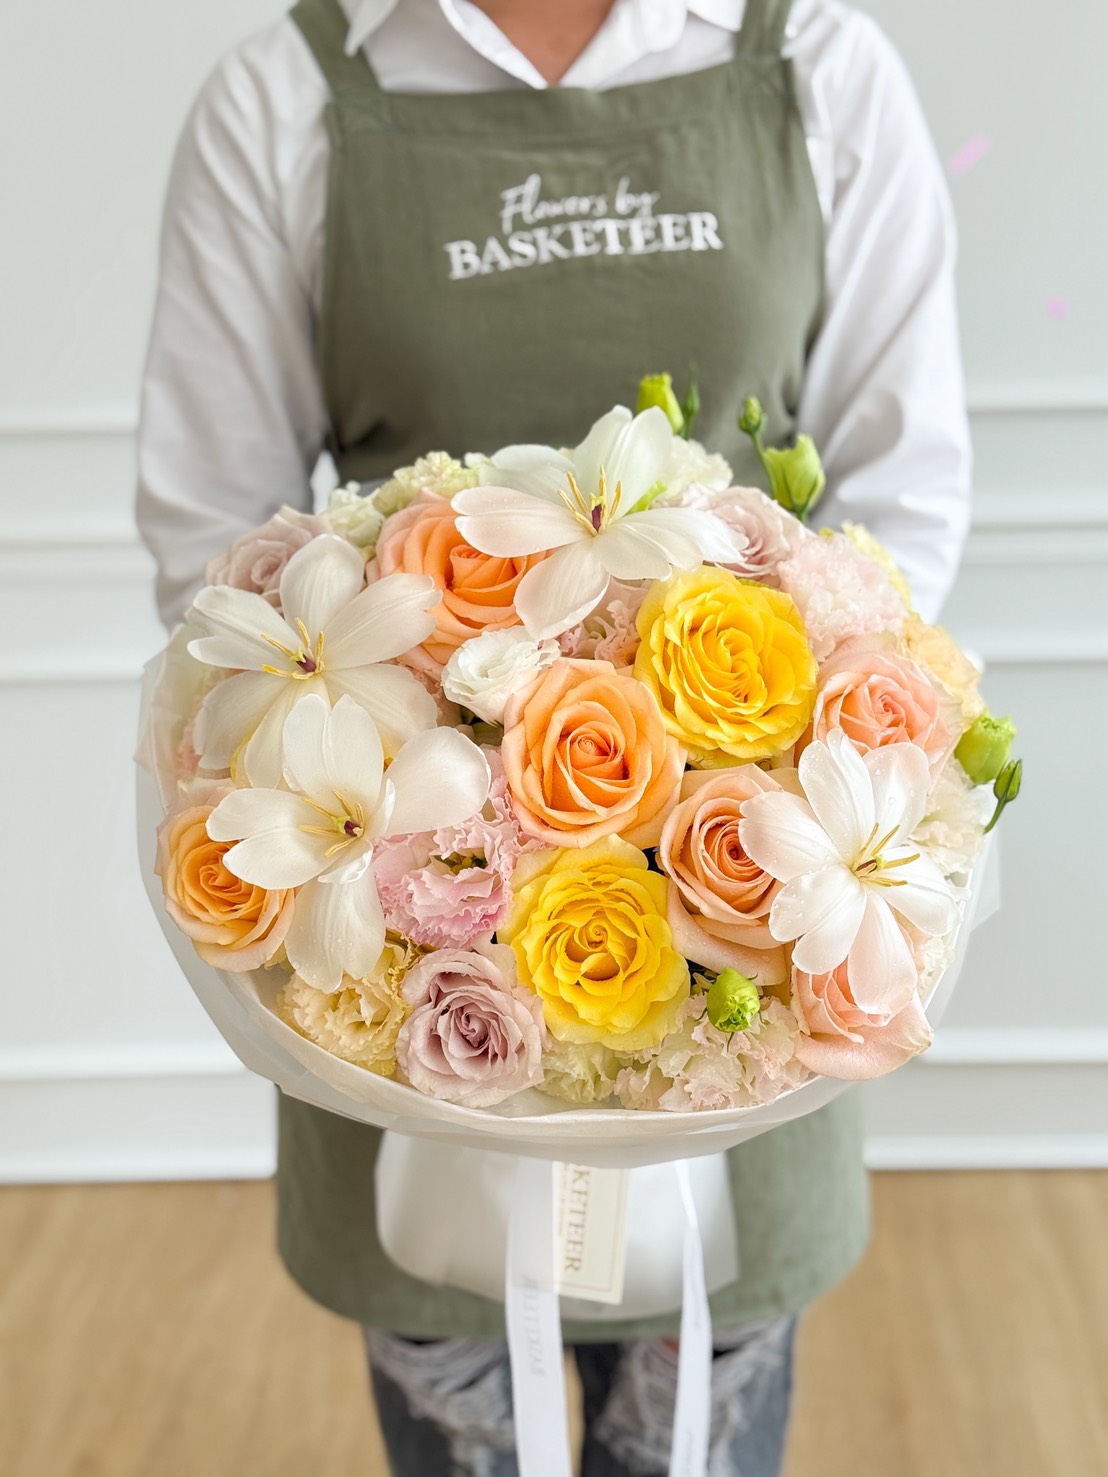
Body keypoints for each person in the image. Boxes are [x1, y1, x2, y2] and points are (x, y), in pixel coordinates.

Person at [136, 0, 971, 1471]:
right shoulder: (290, 97)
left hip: (750, 916)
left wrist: (732, 789)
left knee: (703, 1422)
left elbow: (901, 505)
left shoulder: (817, 70)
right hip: (407, 929)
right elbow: (217, 538)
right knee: (456, 1403)